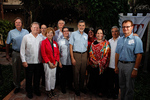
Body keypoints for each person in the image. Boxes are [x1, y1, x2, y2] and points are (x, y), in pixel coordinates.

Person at [115, 20, 143, 100]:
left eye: (127, 26)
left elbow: (139, 55)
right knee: (122, 86)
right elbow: (117, 53)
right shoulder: (120, 40)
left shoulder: (136, 39)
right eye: (123, 27)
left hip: (130, 66)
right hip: (120, 65)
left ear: (132, 27)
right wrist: (116, 66)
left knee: (129, 87)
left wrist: (135, 69)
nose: (125, 28)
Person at [6, 17, 29, 94]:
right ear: (15, 24)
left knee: (27, 70)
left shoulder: (26, 32)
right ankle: (17, 86)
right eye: (16, 22)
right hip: (16, 53)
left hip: (25, 54)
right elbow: (8, 43)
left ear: (22, 23)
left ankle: (28, 86)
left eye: (19, 22)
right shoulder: (11, 32)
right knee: (16, 70)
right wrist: (7, 54)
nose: (18, 24)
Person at [20, 22, 43, 99]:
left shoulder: (41, 38)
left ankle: (36, 90)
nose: (35, 29)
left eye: (37, 27)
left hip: (38, 61)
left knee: (37, 78)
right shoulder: (26, 37)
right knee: (29, 78)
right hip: (29, 62)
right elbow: (22, 50)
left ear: (39, 29)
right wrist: (23, 61)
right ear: (31, 28)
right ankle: (29, 91)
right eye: (34, 27)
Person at [89, 28, 111, 97]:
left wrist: (100, 62)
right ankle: (94, 90)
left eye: (100, 33)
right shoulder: (93, 43)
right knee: (94, 77)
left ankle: (101, 91)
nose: (99, 34)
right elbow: (90, 53)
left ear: (103, 34)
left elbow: (107, 54)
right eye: (98, 33)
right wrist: (95, 61)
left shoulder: (106, 43)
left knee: (102, 78)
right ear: (96, 34)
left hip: (102, 65)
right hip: (94, 64)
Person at [69, 20, 88, 96]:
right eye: (80, 25)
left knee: (83, 72)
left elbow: (86, 46)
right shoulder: (73, 34)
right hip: (76, 54)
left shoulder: (86, 35)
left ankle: (81, 87)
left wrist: (86, 57)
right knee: (76, 73)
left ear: (84, 26)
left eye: (83, 25)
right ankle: (77, 89)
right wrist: (72, 58)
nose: (81, 27)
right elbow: (71, 46)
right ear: (77, 25)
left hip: (84, 55)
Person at [41, 27, 59, 98]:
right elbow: (43, 54)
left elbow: (57, 53)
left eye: (51, 33)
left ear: (53, 34)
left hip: (54, 62)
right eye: (48, 33)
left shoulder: (55, 43)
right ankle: (48, 90)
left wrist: (56, 61)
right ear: (46, 34)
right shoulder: (43, 42)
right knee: (48, 77)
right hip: (47, 62)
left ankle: (52, 89)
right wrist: (49, 62)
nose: (50, 34)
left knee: (53, 76)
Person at [58, 27, 73, 94]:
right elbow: (57, 53)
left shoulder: (72, 40)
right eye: (64, 31)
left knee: (70, 75)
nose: (66, 32)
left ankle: (70, 86)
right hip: (63, 61)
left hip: (70, 61)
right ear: (62, 32)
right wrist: (59, 62)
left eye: (67, 31)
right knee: (63, 76)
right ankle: (63, 88)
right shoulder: (60, 42)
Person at [107, 26, 120, 99]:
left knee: (117, 81)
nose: (114, 33)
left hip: (117, 65)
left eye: (115, 31)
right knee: (110, 81)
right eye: (112, 31)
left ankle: (116, 94)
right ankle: (110, 93)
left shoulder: (121, 40)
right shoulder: (109, 41)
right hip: (109, 64)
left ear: (118, 32)